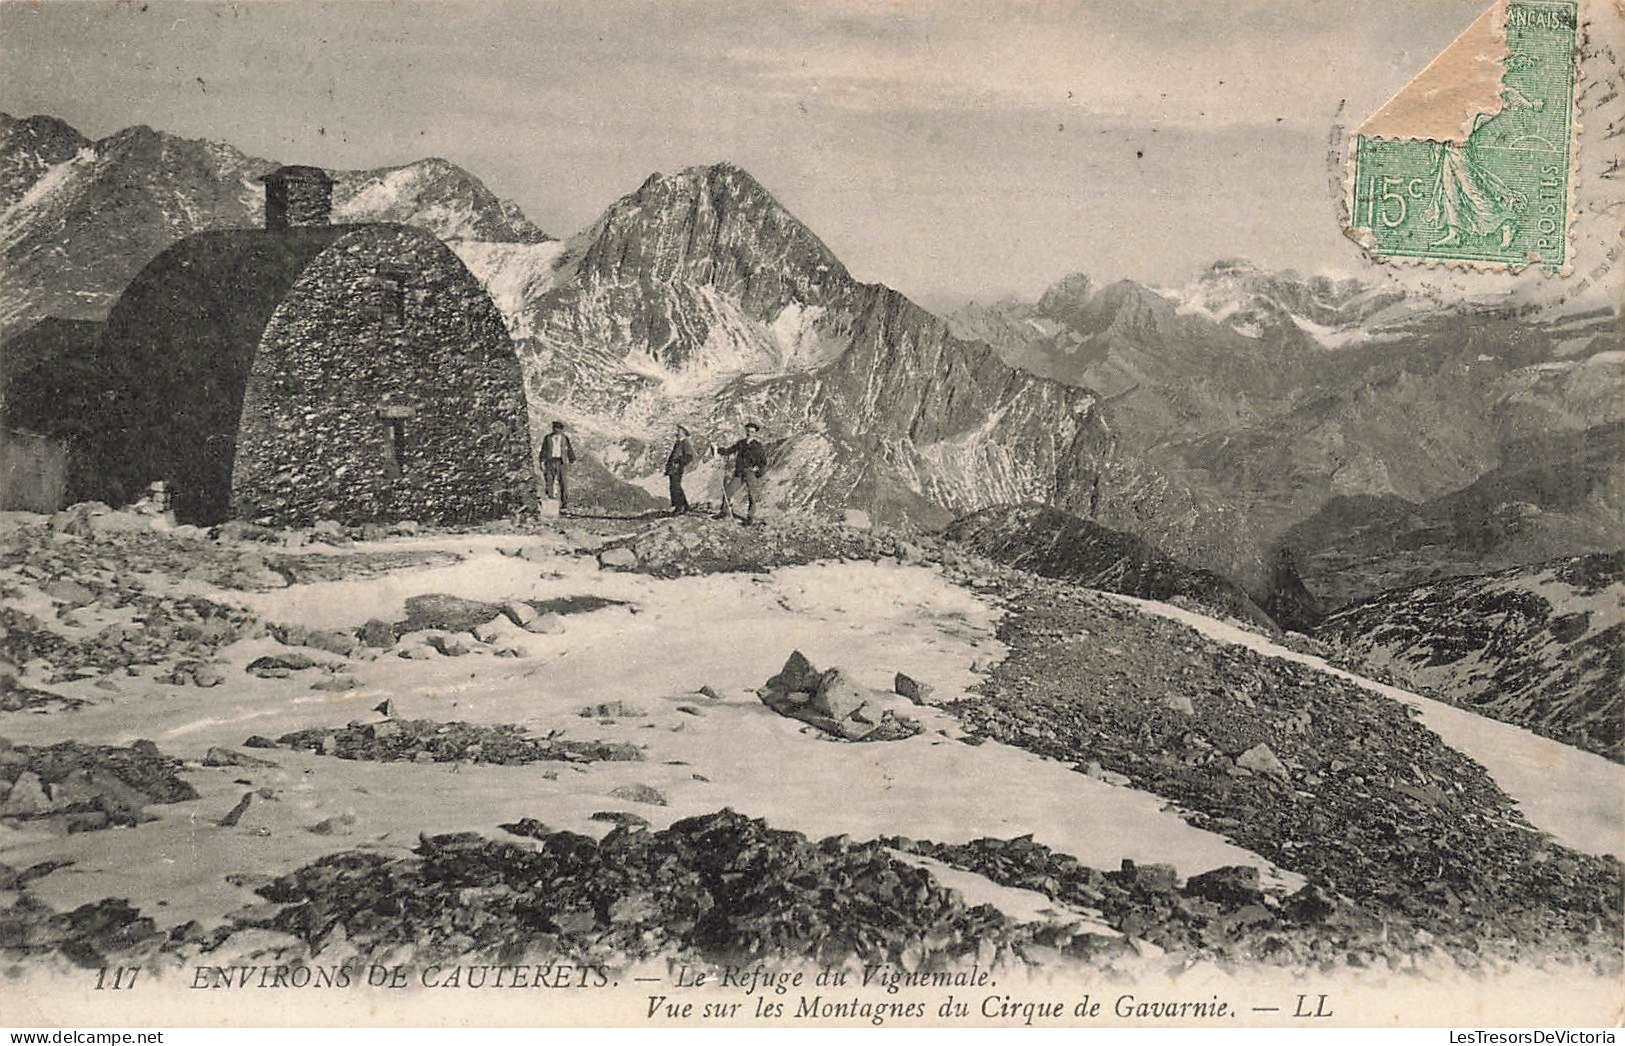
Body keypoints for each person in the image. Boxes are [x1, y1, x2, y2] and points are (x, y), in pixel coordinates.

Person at [716, 421, 769, 524]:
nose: (750, 433)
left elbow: (763, 462)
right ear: (746, 431)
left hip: (750, 474)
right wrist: (717, 449)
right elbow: (728, 451)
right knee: (728, 491)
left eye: (752, 432)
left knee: (752, 496)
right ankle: (724, 512)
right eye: (748, 431)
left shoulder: (758, 446)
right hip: (739, 472)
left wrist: (757, 471)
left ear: (755, 433)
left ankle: (750, 518)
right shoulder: (741, 443)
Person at [539, 420, 576, 511]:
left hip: (561, 462)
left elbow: (569, 449)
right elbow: (543, 450)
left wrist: (571, 459)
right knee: (549, 482)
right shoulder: (547, 438)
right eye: (554, 428)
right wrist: (541, 460)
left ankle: (564, 504)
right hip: (550, 462)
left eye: (558, 428)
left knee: (563, 482)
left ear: (561, 430)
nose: (556, 430)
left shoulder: (565, 438)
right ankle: (551, 502)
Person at [664, 424, 696, 515]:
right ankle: (684, 506)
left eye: (679, 431)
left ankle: (680, 507)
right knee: (675, 486)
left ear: (684, 433)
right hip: (674, 468)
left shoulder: (685, 442)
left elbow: (689, 456)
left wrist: (679, 461)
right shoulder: (679, 442)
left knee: (675, 487)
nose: (677, 432)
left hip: (677, 468)